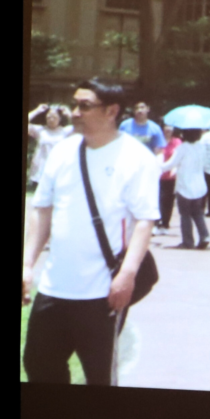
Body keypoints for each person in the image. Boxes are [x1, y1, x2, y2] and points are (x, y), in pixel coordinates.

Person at [22, 78, 160, 386]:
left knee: (99, 377)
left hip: (101, 293)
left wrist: (127, 274)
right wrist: (27, 264)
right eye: (74, 104)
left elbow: (144, 221)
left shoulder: (137, 158)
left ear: (112, 111)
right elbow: (42, 209)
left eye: (84, 106)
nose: (74, 112)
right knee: (38, 366)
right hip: (54, 288)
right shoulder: (62, 152)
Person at [161, 128, 210, 249]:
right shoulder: (202, 147)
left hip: (185, 185)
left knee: (185, 214)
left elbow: (170, 164)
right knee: (198, 212)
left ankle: (188, 241)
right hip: (199, 185)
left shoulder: (182, 148)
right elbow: (206, 165)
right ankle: (205, 236)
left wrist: (156, 165)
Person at [28, 103, 74, 191]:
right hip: (41, 170)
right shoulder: (40, 130)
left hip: (59, 170)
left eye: (54, 117)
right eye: (49, 117)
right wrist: (37, 111)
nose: (51, 119)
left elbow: (82, 126)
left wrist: (69, 113)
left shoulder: (65, 131)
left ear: (59, 119)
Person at [155, 125, 182, 235]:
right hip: (157, 175)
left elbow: (178, 156)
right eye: (166, 129)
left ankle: (165, 224)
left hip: (171, 176)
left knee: (168, 201)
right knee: (158, 199)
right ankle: (156, 223)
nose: (168, 132)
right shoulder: (158, 140)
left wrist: (174, 169)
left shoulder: (177, 141)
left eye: (170, 130)